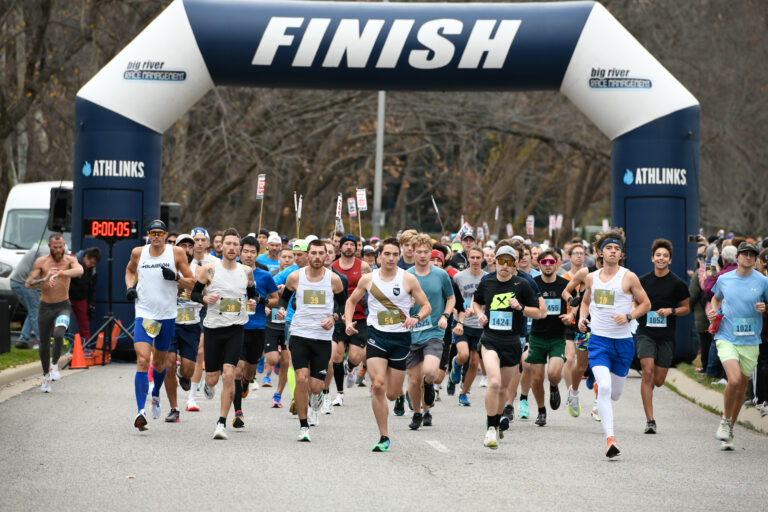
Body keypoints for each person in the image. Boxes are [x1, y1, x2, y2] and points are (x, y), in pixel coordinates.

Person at [345, 238, 431, 452]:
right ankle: (384, 436)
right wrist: (348, 322)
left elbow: (426, 305)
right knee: (378, 385)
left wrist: (416, 317)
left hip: (401, 339)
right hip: (376, 336)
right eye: (387, 254)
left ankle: (400, 396)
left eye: (395, 254)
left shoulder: (408, 279)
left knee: (392, 393)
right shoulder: (368, 279)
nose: (391, 258)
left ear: (399, 256)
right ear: (379, 256)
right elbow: (350, 301)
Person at [578, 229, 650, 457]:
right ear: (600, 252)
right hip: (599, 341)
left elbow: (646, 304)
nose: (612, 251)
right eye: (609, 248)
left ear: (621, 255)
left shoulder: (628, 277)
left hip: (623, 343)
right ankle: (610, 439)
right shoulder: (591, 278)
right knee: (607, 388)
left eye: (617, 249)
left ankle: (598, 386)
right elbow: (585, 301)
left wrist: (629, 316)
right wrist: (582, 318)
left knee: (615, 394)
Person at [125, 220, 195, 431]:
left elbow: (192, 283)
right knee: (143, 360)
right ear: (148, 235)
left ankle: (155, 395)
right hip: (144, 314)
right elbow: (129, 271)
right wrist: (130, 287)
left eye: (160, 233)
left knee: (160, 364)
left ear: (165, 235)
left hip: (166, 315)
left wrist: (175, 277)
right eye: (153, 233)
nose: (156, 236)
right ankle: (140, 412)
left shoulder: (176, 254)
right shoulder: (139, 252)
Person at [472, 245, 544, 449]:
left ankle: (496, 419)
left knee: (503, 388)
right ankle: (491, 427)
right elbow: (476, 302)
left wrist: (520, 308)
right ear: (495, 262)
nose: (504, 266)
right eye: (501, 261)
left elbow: (539, 313)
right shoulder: (487, 282)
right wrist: (479, 314)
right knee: (494, 383)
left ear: (514, 265)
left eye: (509, 262)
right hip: (490, 339)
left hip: (513, 341)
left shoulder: (522, 285)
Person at [191, 228, 258, 439]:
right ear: (221, 247)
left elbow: (253, 294)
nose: (231, 248)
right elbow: (194, 293)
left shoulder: (246, 271)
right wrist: (204, 299)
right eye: (227, 244)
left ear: (239, 248)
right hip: (213, 329)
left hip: (236, 328)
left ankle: (221, 423)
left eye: (235, 244)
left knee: (229, 374)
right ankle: (207, 383)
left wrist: (253, 302)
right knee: (212, 379)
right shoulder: (209, 269)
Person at [277, 239, 345, 441]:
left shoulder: (334, 280)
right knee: (300, 378)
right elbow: (284, 298)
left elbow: (341, 306)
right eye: (313, 253)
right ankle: (303, 425)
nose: (316, 257)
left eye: (320, 253)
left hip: (322, 337)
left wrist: (333, 318)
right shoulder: (295, 277)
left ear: (327, 255)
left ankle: (316, 398)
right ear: (307, 255)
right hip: (299, 334)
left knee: (316, 386)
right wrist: (281, 309)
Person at [708, 241, 768, 450]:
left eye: (752, 255)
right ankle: (725, 421)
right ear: (738, 257)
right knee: (733, 381)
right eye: (745, 254)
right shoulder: (724, 279)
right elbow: (715, 299)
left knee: (741, 387)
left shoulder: (762, 281)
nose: (748, 257)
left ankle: (730, 431)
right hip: (726, 336)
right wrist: (714, 311)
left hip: (750, 340)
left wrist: (765, 307)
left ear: (756, 259)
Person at [636, 239, 690, 434]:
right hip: (646, 333)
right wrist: (637, 311)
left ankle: (649, 388)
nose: (661, 258)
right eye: (658, 255)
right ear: (652, 258)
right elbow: (634, 303)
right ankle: (650, 420)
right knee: (647, 372)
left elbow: (686, 308)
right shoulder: (642, 281)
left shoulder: (678, 284)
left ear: (670, 260)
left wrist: (671, 311)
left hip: (666, 336)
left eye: (665, 256)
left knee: (658, 380)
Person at [404, 234, 454, 429]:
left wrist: (446, 316)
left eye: (426, 252)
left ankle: (429, 384)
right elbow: (397, 304)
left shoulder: (441, 275)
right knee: (413, 379)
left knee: (431, 371)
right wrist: (407, 305)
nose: (423, 255)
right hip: (412, 332)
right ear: (412, 252)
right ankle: (419, 413)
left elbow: (450, 298)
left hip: (434, 330)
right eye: (419, 252)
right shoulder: (406, 275)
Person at [25, 233, 84, 392]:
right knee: (44, 344)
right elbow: (28, 283)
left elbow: (80, 271)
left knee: (58, 334)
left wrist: (61, 273)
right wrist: (43, 279)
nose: (59, 250)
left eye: (61, 246)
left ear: (65, 245)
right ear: (50, 247)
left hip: (63, 305)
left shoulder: (70, 260)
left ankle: (54, 365)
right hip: (45, 307)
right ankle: (45, 376)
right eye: (55, 247)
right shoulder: (42, 262)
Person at [232, 236, 278, 429]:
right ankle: (238, 413)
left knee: (249, 371)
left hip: (257, 327)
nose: (249, 255)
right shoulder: (230, 271)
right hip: (236, 326)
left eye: (253, 252)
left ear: (257, 254)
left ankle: (246, 382)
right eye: (246, 251)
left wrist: (261, 301)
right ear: (240, 252)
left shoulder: (265, 276)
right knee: (237, 368)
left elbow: (275, 300)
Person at [528, 249, 570, 426]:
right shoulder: (532, 283)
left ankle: (554, 386)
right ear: (539, 264)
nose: (547, 266)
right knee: (536, 378)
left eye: (551, 262)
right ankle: (541, 410)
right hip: (537, 336)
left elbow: (575, 303)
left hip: (557, 336)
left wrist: (571, 316)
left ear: (557, 264)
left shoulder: (564, 284)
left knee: (553, 373)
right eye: (544, 262)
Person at [163, 234, 201, 422]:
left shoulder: (200, 270)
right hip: (169, 322)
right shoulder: (165, 268)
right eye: (183, 246)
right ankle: (174, 408)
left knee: (188, 369)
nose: (187, 249)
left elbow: (201, 291)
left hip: (191, 325)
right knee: (168, 363)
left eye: (190, 246)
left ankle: (183, 376)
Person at [331, 235, 371, 406]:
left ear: (356, 248)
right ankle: (339, 393)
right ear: (340, 248)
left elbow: (372, 287)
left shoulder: (363, 266)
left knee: (356, 356)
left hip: (359, 316)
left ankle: (351, 368)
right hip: (339, 316)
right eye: (345, 244)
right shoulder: (332, 267)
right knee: (336, 355)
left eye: (351, 245)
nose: (348, 247)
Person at [186, 227, 220, 410]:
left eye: (202, 240)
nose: (199, 243)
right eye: (195, 239)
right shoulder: (182, 260)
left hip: (206, 309)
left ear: (208, 243)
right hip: (184, 308)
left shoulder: (215, 262)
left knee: (200, 352)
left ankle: (192, 397)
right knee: (184, 354)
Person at [452, 246, 487, 406]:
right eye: (472, 257)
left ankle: (464, 392)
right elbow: (452, 299)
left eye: (478, 258)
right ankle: (456, 364)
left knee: (474, 362)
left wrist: (479, 310)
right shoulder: (459, 277)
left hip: (479, 325)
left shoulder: (487, 278)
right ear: (468, 258)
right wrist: (460, 311)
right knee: (463, 355)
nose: (475, 261)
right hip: (462, 323)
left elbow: (490, 300)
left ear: (482, 259)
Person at [263, 247, 296, 406]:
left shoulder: (297, 277)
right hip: (271, 324)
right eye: (284, 257)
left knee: (287, 360)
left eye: (291, 257)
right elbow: (261, 293)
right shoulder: (272, 276)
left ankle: (278, 394)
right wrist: (266, 305)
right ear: (279, 259)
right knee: (273, 358)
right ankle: (273, 366)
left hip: (288, 324)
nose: (287, 260)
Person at [10, 243, 49, 349]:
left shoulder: (43, 250)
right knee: (36, 312)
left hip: (18, 282)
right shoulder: (45, 253)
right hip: (23, 283)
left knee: (33, 311)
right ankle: (42, 342)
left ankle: (23, 339)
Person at [68, 247, 101, 343]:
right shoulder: (72, 262)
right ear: (85, 257)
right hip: (67, 296)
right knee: (63, 319)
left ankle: (86, 345)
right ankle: (56, 341)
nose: (92, 265)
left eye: (94, 264)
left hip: (81, 298)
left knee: (84, 324)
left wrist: (91, 304)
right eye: (91, 262)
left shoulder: (92, 270)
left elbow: (92, 288)